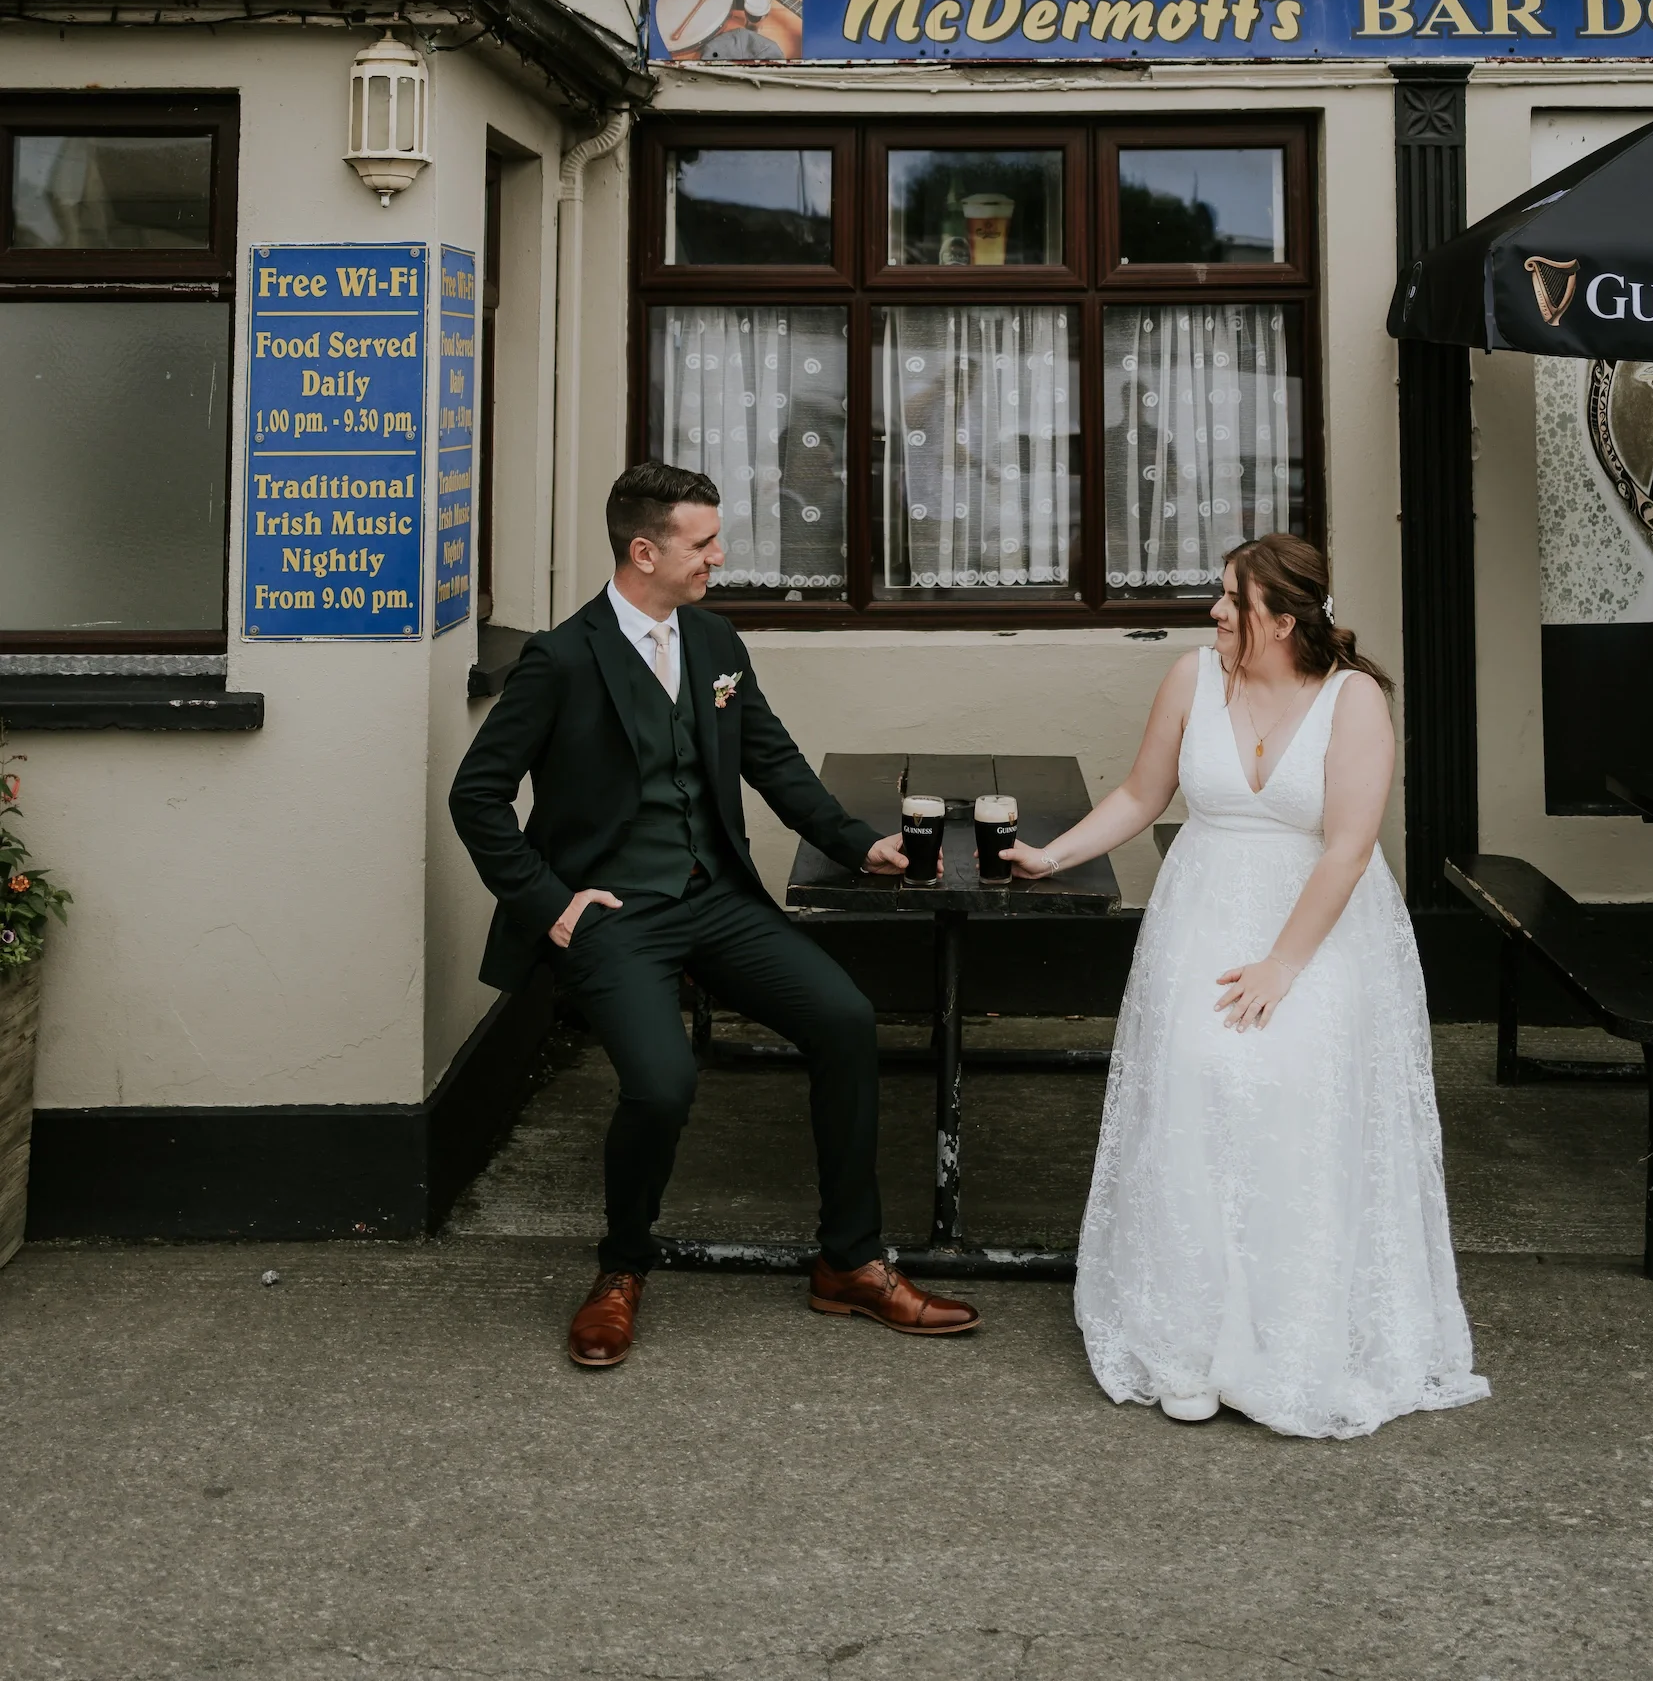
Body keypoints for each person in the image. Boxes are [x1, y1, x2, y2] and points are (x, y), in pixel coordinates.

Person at [449, 459, 979, 1367]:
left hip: (717, 899)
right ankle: (621, 1267)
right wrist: (554, 906)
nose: (719, 557)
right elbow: (477, 796)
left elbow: (772, 761)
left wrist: (859, 843)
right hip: (615, 916)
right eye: (703, 543)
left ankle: (850, 1261)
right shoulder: (561, 658)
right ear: (644, 549)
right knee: (662, 1085)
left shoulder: (717, 644)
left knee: (846, 1020)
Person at [1005, 532, 1487, 1440]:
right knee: (1196, 1076)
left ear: (1284, 617)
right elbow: (1143, 794)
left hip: (1319, 928)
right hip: (1204, 915)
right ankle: (1189, 1340)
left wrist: (1282, 966)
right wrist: (1053, 853)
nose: (1217, 611)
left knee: (1290, 1080)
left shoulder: (1356, 703)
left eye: (1234, 598)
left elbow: (1347, 846)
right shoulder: (1193, 678)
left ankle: (1287, 1338)